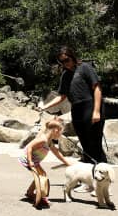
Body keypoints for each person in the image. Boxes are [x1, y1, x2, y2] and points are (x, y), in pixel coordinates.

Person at [40, 46, 106, 174]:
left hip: (90, 106)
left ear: (73, 57)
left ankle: (102, 177)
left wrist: (96, 111)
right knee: (85, 144)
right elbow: (61, 96)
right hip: (76, 108)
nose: (65, 64)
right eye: (62, 62)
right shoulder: (65, 75)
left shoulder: (85, 68)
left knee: (95, 144)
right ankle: (89, 177)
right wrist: (45, 106)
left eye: (67, 60)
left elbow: (97, 88)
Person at [19, 118, 72, 208]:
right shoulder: (43, 140)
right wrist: (30, 161)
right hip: (29, 160)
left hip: (35, 161)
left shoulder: (49, 142)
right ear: (55, 130)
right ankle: (37, 194)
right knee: (41, 177)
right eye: (60, 133)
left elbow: (57, 153)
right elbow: (29, 148)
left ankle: (30, 192)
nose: (60, 135)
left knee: (42, 175)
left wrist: (67, 163)